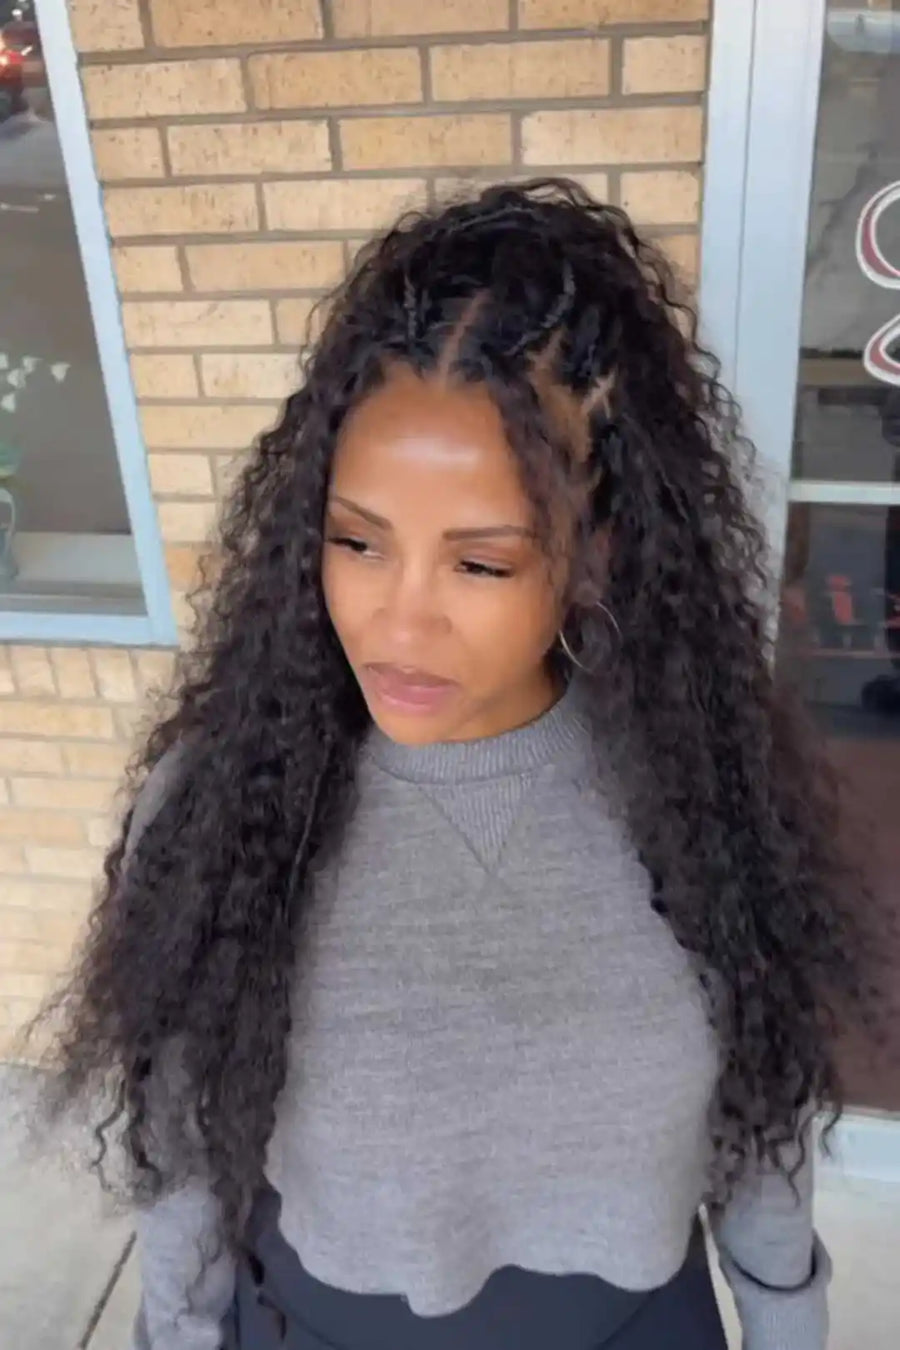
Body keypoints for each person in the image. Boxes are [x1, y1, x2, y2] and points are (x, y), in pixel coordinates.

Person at [39, 179, 882, 1350]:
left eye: (481, 563)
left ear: (598, 547)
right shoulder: (224, 808)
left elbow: (762, 1109)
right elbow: (180, 1144)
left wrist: (788, 1319)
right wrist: (176, 1332)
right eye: (357, 541)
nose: (398, 622)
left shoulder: (696, 792)